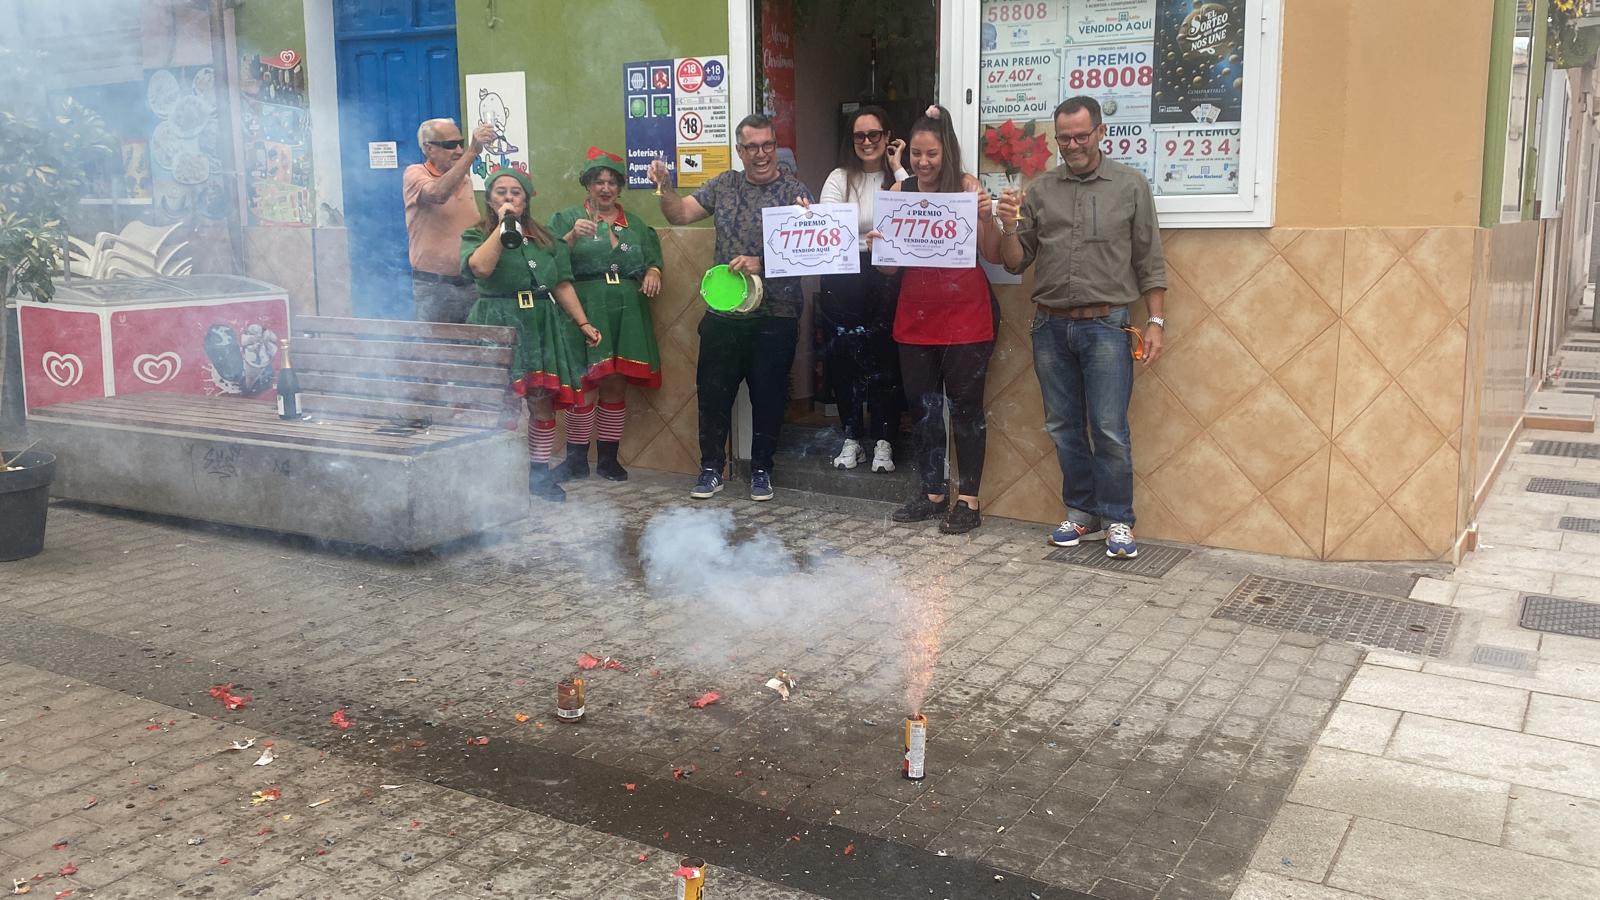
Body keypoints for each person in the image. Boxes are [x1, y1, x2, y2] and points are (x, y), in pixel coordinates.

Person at [996, 96, 1167, 558]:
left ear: (1099, 133)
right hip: (1050, 327)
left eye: (1080, 135)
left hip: (1108, 326)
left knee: (1110, 427)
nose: (1072, 144)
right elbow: (1015, 263)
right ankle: (1081, 512)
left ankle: (1118, 520)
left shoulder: (1130, 186)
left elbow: (1149, 260)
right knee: (1062, 426)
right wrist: (1007, 225)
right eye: (1064, 138)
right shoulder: (1041, 190)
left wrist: (1154, 321)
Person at [650, 114, 811, 502]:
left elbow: (810, 252)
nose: (761, 154)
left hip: (778, 312)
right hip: (724, 311)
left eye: (767, 145)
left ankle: (761, 471)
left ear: (776, 146)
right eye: (752, 147)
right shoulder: (724, 184)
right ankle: (710, 469)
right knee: (712, 391)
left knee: (769, 396)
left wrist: (763, 263)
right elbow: (679, 214)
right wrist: (666, 188)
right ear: (739, 151)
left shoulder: (795, 191)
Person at [875, 105, 1004, 535]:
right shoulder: (899, 190)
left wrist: (986, 217)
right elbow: (890, 270)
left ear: (946, 153)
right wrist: (882, 244)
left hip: (966, 313)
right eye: (916, 154)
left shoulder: (967, 187)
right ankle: (932, 493)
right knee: (924, 408)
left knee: (966, 408)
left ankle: (968, 499)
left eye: (931, 154)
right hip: (916, 315)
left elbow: (990, 252)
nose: (923, 163)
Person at [461, 168, 602, 502]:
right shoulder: (475, 234)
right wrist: (502, 226)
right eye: (500, 192)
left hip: (540, 322)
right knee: (500, 403)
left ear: (526, 200)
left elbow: (562, 283)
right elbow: (480, 268)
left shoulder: (546, 239)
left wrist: (583, 322)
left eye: (516, 193)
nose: (508, 198)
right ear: (489, 198)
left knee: (541, 402)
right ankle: (499, 476)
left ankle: (538, 477)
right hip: (496, 322)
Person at [548, 147, 664, 483]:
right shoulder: (566, 219)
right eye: (598, 181)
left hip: (626, 312)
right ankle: (575, 460)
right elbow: (547, 261)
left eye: (612, 182)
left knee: (615, 382)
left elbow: (652, 257)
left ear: (620, 187)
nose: (605, 188)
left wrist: (653, 270)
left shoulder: (636, 225)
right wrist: (571, 237)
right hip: (583, 308)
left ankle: (609, 459)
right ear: (587, 185)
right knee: (583, 383)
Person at [817, 105, 909, 474]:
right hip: (843, 275)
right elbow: (829, 223)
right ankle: (852, 436)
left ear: (888, 137)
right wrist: (862, 239)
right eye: (860, 136)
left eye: (875, 134)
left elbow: (914, 207)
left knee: (886, 357)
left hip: (887, 275)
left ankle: (885, 440)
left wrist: (899, 165)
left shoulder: (901, 176)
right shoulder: (840, 177)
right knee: (844, 358)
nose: (867, 141)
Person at [405, 118, 498, 323]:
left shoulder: (463, 179)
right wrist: (472, 152)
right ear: (429, 149)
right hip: (435, 287)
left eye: (461, 143)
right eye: (449, 145)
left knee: (477, 347)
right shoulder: (415, 173)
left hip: (470, 283)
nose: (458, 150)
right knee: (439, 350)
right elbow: (438, 193)